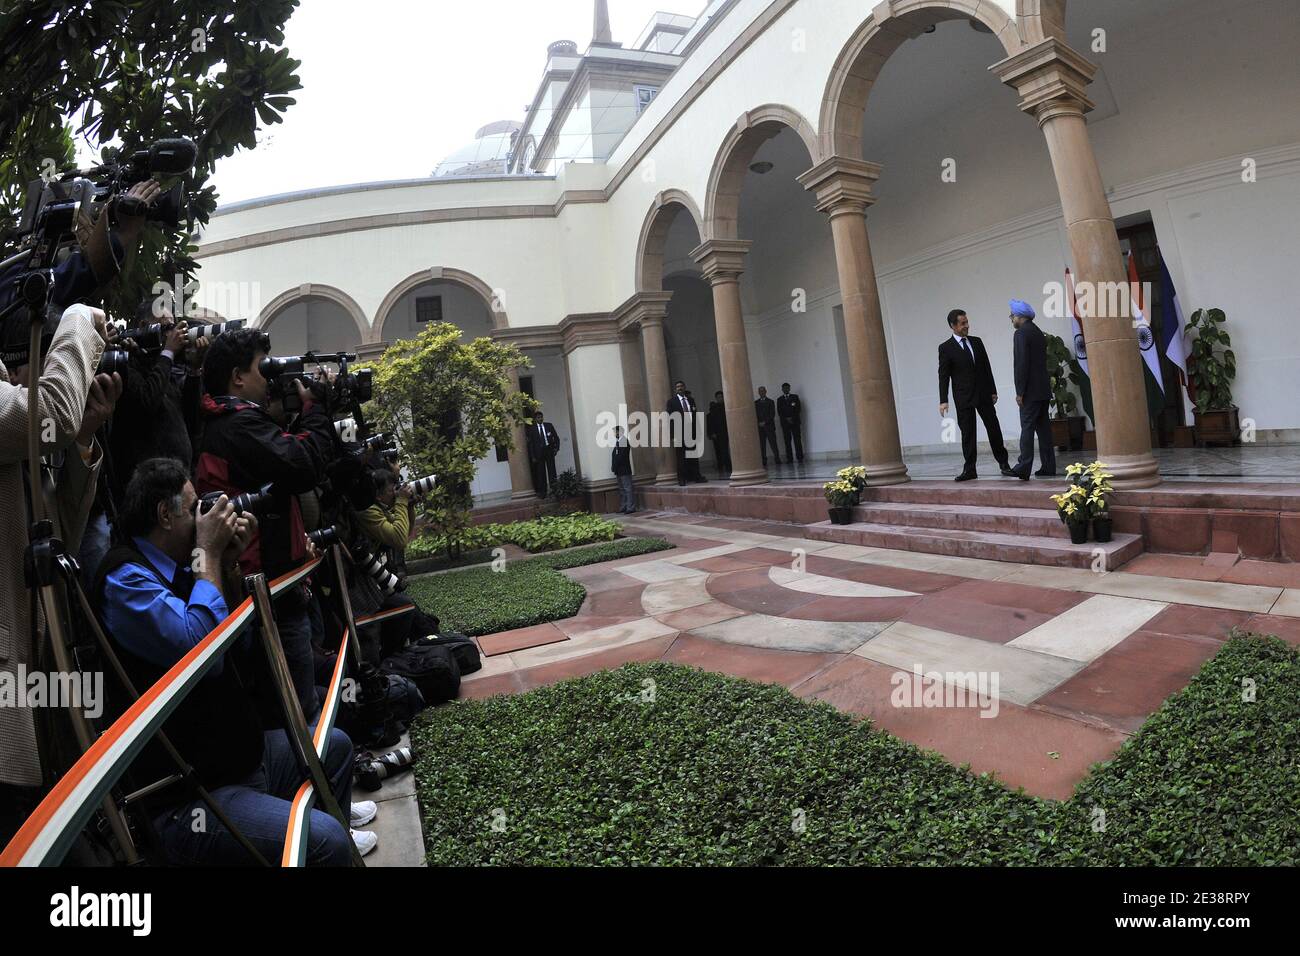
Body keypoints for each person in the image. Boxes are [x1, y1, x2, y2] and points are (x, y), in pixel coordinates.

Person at [96, 458, 376, 863]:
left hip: (237, 758)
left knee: (335, 748)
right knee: (326, 841)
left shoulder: (185, 566)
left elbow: (238, 650)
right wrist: (208, 553)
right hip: (191, 796)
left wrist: (226, 565)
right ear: (164, 514)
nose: (208, 515)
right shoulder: (124, 580)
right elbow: (203, 656)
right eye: (196, 506)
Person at [0, 303, 120, 841]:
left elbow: (57, 539)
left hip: (33, 677)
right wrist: (76, 320)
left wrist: (83, 436)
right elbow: (49, 413)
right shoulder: (22, 414)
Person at [195, 327, 337, 721]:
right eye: (262, 368)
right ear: (238, 376)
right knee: (296, 710)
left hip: (275, 587)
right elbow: (303, 465)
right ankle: (308, 772)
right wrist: (316, 411)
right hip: (268, 593)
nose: (268, 377)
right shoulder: (237, 425)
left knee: (300, 700)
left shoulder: (232, 421)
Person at [938, 309, 1014, 481]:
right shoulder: (946, 348)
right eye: (962, 323)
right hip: (963, 397)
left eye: (967, 322)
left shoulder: (977, 342)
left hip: (983, 393)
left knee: (993, 428)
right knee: (968, 433)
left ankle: (1004, 464)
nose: (967, 326)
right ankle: (970, 469)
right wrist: (943, 400)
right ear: (953, 326)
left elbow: (986, 367)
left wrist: (993, 390)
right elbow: (943, 376)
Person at [1008, 298, 1056, 480]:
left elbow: (1021, 364)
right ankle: (1048, 466)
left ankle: (1023, 466)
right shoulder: (1037, 332)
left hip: (1030, 391)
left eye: (1012, 316)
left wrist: (1020, 392)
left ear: (1020, 317)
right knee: (1044, 430)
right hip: (1043, 389)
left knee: (1027, 428)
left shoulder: (1021, 334)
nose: (1012, 319)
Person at [665, 380, 705, 484]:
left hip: (691, 432)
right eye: (678, 386)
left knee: (693, 455)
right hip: (679, 433)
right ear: (675, 389)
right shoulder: (671, 402)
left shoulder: (691, 400)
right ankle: (682, 479)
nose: (680, 388)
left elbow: (695, 416)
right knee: (681, 457)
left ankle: (696, 476)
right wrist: (673, 435)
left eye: (681, 386)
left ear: (684, 387)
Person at [525, 410, 560, 496]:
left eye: (541, 417)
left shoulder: (549, 426)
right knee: (541, 473)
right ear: (535, 419)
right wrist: (533, 456)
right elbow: (531, 444)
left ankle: (554, 490)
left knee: (552, 471)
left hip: (549, 451)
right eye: (538, 417)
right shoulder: (532, 429)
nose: (540, 419)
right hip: (539, 453)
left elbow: (556, 438)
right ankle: (543, 492)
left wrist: (556, 448)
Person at [777, 383, 804, 464]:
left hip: (795, 422)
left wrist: (792, 418)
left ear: (789, 388)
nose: (786, 389)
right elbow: (779, 411)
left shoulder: (795, 397)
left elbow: (798, 409)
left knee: (797, 440)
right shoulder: (779, 399)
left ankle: (800, 458)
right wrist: (787, 418)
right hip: (785, 423)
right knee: (787, 442)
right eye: (784, 388)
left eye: (787, 388)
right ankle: (790, 459)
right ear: (782, 389)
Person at [611, 424, 635, 514]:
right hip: (619, 470)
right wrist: (614, 467)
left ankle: (630, 507)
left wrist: (615, 465)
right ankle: (624, 506)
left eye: (615, 432)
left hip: (624, 469)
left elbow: (621, 456)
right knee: (622, 489)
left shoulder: (624, 441)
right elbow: (615, 455)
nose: (614, 433)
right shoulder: (618, 442)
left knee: (627, 489)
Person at [706, 390, 730, 476]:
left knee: (725, 450)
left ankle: (728, 466)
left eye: (721, 397)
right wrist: (711, 433)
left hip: (724, 432)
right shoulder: (714, 408)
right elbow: (711, 422)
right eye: (718, 397)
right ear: (716, 398)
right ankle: (720, 466)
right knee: (718, 451)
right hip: (716, 434)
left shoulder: (727, 406)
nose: (720, 399)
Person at [755, 386, 780, 467]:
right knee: (762, 445)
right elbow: (754, 415)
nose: (761, 392)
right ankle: (763, 460)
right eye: (760, 391)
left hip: (769, 426)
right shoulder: (755, 403)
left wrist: (765, 422)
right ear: (758, 392)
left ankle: (777, 459)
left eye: (763, 391)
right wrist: (759, 422)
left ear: (766, 391)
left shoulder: (771, 401)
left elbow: (772, 414)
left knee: (773, 443)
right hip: (760, 428)